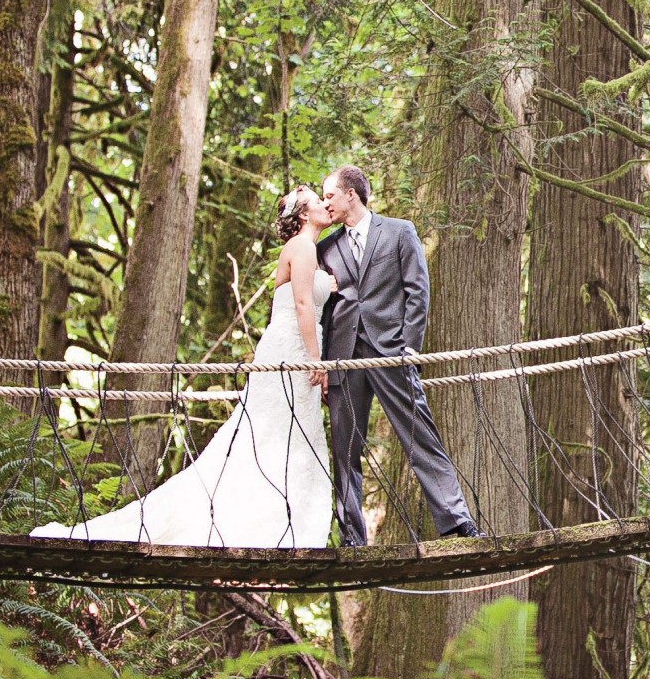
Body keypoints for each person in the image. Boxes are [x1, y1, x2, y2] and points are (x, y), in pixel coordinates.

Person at [34, 186, 338, 548]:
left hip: (291, 349)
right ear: (304, 215)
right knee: (269, 435)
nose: (326, 205)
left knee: (277, 436)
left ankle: (273, 526)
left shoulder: (307, 250)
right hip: (293, 352)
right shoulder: (303, 247)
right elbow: (303, 304)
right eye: (319, 201)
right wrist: (316, 360)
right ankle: (262, 526)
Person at [317, 165, 479, 544]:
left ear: (350, 194)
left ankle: (456, 520)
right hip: (343, 358)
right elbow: (324, 312)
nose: (326, 204)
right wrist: (324, 365)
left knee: (419, 435)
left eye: (329, 196)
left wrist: (408, 347)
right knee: (345, 448)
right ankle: (352, 537)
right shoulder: (325, 248)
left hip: (392, 352)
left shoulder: (399, 231)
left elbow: (417, 291)